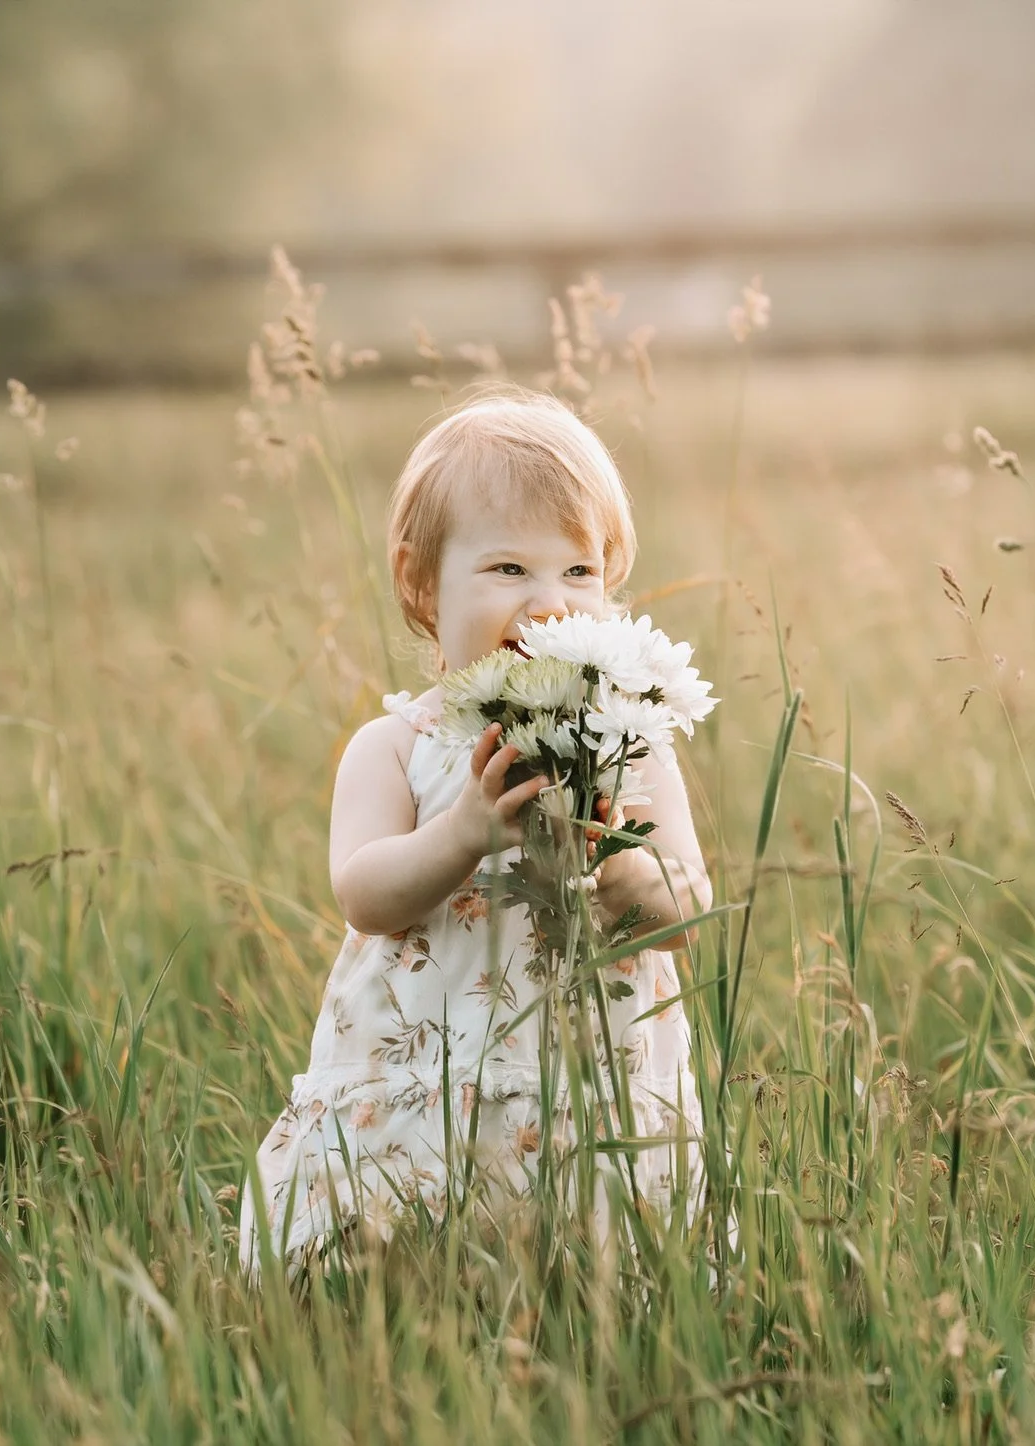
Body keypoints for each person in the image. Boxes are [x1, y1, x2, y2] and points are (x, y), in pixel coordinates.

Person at [240, 387, 711, 1271]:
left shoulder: (630, 742)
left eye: (579, 573)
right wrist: (458, 833)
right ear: (421, 582)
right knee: (414, 1267)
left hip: (588, 1088)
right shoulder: (395, 747)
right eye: (507, 571)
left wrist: (624, 873)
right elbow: (364, 892)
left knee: (590, 1267)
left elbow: (689, 898)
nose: (547, 605)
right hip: (428, 1084)